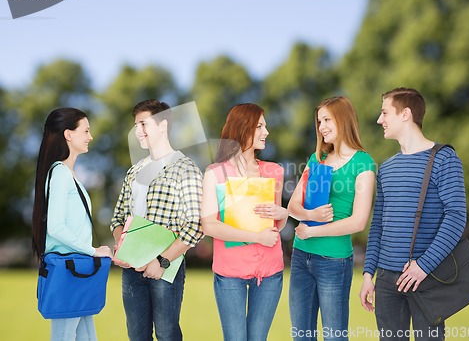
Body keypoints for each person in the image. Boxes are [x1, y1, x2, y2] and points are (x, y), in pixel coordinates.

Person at [360, 87, 467, 341]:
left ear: (405, 114)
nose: (379, 119)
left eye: (385, 112)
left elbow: (456, 217)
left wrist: (424, 266)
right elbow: (378, 226)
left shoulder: (445, 159)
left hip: (426, 277)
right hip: (386, 281)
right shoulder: (385, 168)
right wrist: (368, 274)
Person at [110, 99, 203, 341]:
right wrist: (124, 250)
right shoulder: (134, 170)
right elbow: (118, 217)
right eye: (136, 125)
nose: (138, 131)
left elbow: (195, 225)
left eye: (143, 123)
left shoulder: (185, 168)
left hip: (165, 268)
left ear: (163, 125)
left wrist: (161, 262)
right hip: (132, 270)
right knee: (136, 336)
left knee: (167, 334)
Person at [287, 96, 376, 341]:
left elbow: (358, 222)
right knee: (301, 335)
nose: (321, 126)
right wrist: (310, 216)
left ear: (343, 119)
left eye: (327, 119)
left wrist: (313, 230)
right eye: (319, 121)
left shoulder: (363, 164)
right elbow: (293, 205)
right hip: (301, 256)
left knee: (335, 336)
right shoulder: (317, 159)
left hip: (334, 262)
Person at [200, 103, 288, 341]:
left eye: (265, 126)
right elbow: (209, 225)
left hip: (270, 271)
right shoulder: (215, 173)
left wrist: (283, 214)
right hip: (230, 272)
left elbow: (275, 224)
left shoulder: (274, 171)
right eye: (260, 126)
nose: (266, 132)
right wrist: (256, 237)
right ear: (243, 129)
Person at [32, 108, 113, 341]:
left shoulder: (68, 174)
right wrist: (93, 250)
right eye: (85, 130)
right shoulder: (59, 174)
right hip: (69, 271)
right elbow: (56, 227)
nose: (90, 136)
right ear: (68, 134)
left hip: (76, 272)